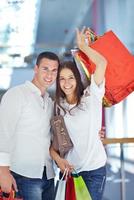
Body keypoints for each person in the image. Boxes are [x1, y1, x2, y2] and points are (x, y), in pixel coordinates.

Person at [50, 28, 107, 200]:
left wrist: (83, 47)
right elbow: (56, 146)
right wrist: (59, 161)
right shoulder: (58, 106)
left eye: (70, 77)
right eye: (62, 78)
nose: (66, 83)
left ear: (77, 78)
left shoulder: (92, 95)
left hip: (95, 170)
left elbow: (102, 63)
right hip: (72, 171)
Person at [0, 51, 60, 200]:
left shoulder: (49, 101)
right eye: (45, 69)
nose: (49, 75)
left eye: (54, 70)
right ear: (36, 69)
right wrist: (3, 172)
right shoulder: (17, 94)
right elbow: (3, 133)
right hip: (22, 174)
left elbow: (53, 135)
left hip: (48, 175)